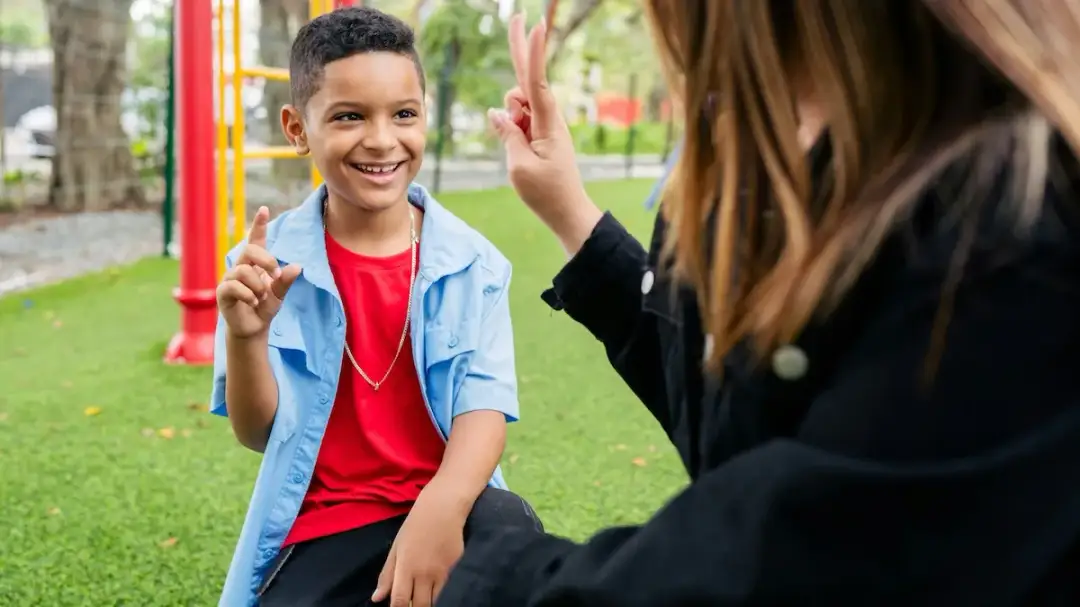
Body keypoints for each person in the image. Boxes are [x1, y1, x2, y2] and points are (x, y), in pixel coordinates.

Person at [436, 3, 1080, 606]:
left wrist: (489, 558)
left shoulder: (1009, 239)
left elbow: (787, 563)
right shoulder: (831, 176)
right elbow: (737, 420)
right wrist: (570, 211)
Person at [209, 7, 541, 607]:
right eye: (348, 116)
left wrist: (437, 513)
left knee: (510, 536)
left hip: (455, 505)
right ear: (296, 128)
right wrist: (247, 338)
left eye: (403, 114)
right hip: (327, 528)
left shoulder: (474, 263)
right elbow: (258, 432)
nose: (382, 140)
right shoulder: (261, 267)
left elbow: (484, 408)